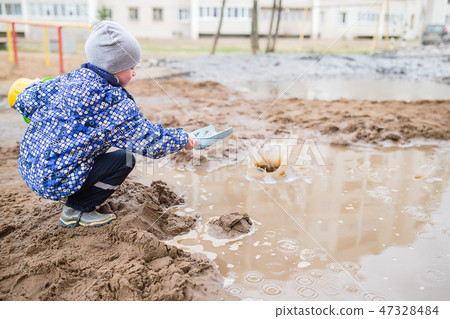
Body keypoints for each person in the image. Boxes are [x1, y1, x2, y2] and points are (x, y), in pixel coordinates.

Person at [12, 21, 199, 228]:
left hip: (30, 168)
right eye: (131, 67)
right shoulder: (111, 101)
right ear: (115, 67)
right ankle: (77, 208)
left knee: (94, 141)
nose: (134, 73)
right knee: (124, 159)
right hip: (54, 181)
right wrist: (183, 139)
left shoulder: (66, 80)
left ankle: (72, 193)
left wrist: (39, 85)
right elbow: (150, 141)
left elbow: (24, 100)